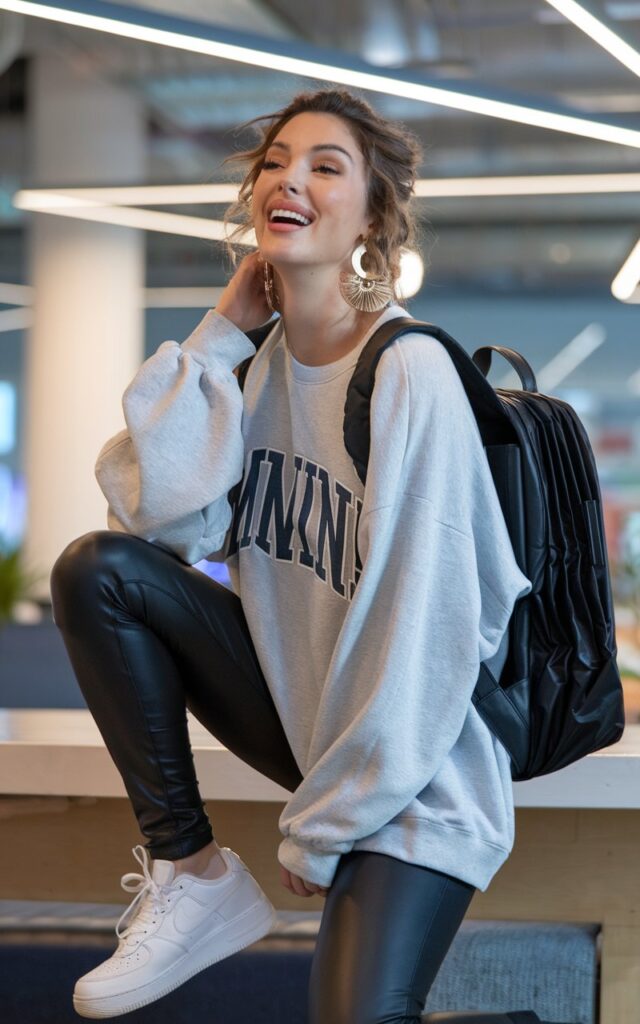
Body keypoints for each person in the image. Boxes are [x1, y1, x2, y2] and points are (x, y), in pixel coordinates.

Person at [50, 86, 532, 1023]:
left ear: (373, 217)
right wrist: (220, 337)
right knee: (97, 571)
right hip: (314, 734)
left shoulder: (409, 371)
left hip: (419, 764)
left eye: (325, 166)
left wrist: (323, 829)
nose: (290, 180)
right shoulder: (258, 367)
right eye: (276, 163)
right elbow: (157, 517)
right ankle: (192, 874)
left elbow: (422, 636)